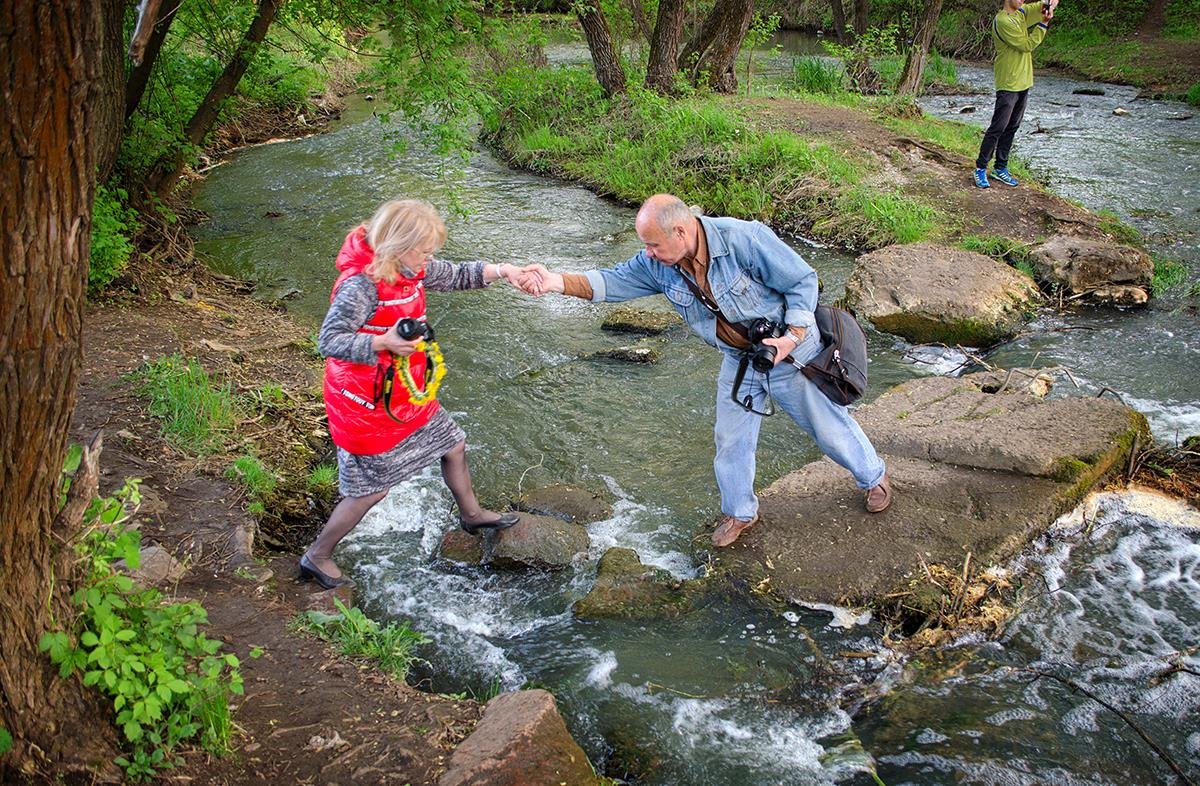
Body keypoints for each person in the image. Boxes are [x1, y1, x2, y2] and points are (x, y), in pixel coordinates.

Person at [517, 194, 891, 548]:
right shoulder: (658, 264)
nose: (647, 253)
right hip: (739, 360)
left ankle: (873, 479)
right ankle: (740, 514)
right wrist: (554, 281)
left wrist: (791, 336)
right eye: (645, 246)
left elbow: (802, 281)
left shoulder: (744, 238)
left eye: (653, 245)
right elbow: (612, 281)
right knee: (730, 439)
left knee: (827, 426)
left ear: (681, 231)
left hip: (788, 351)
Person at [300, 199, 531, 589]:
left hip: (403, 393)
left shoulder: (411, 270)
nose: (430, 258)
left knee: (453, 443)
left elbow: (458, 274)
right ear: (398, 245)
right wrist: (382, 343)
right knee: (370, 490)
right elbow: (329, 341)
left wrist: (504, 271)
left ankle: (471, 514)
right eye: (425, 250)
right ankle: (317, 555)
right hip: (364, 403)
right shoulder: (361, 286)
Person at [974, 0, 1057, 189]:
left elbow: (1047, 5)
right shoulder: (1003, 21)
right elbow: (1026, 44)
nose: (1023, 0)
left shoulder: (1022, 13)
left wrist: (1049, 5)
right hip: (1008, 82)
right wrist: (1043, 24)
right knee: (998, 127)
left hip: (1023, 81)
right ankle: (980, 168)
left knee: (1012, 126)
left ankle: (1000, 168)